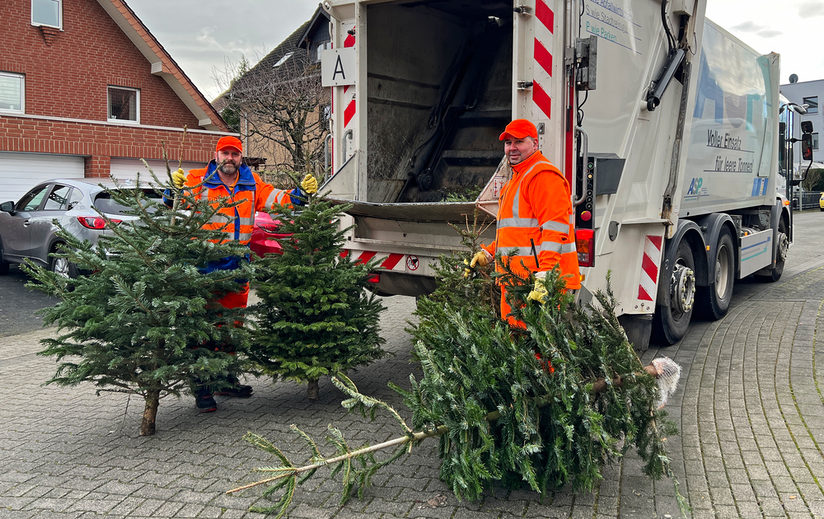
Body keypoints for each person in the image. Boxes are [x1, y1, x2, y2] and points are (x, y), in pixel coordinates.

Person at [167, 135, 318, 412]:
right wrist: (171, 190)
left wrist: (299, 193)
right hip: (202, 267)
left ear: (240, 157)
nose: (230, 158)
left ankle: (225, 378)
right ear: (216, 155)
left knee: (231, 327)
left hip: (236, 267)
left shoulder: (251, 183)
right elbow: (175, 202)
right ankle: (202, 387)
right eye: (225, 153)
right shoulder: (198, 179)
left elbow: (279, 200)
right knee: (202, 328)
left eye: (235, 154)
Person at [470, 119, 581, 327]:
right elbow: (517, 232)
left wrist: (546, 275)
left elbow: (555, 228)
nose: (512, 148)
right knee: (519, 345)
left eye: (519, 142)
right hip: (517, 280)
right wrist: (489, 253)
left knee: (537, 350)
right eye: (508, 143)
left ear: (535, 144)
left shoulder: (542, 176)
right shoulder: (517, 178)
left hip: (536, 282)